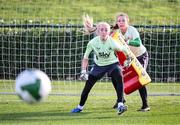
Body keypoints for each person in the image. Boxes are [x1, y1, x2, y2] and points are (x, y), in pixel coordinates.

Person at [71, 22, 132, 115]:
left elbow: (124, 49)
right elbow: (85, 58)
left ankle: (120, 105)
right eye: (101, 30)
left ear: (109, 32)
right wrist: (83, 71)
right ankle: (80, 107)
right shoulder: (92, 43)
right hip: (98, 66)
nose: (104, 32)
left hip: (112, 64)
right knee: (88, 86)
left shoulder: (112, 42)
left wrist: (128, 59)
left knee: (119, 75)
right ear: (98, 32)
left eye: (106, 30)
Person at [112, 12, 150, 112]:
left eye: (123, 20)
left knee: (140, 78)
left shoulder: (132, 30)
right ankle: (121, 100)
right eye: (119, 21)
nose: (121, 22)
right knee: (115, 76)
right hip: (129, 58)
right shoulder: (117, 33)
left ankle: (145, 105)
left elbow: (138, 43)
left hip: (141, 56)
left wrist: (127, 42)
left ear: (127, 21)